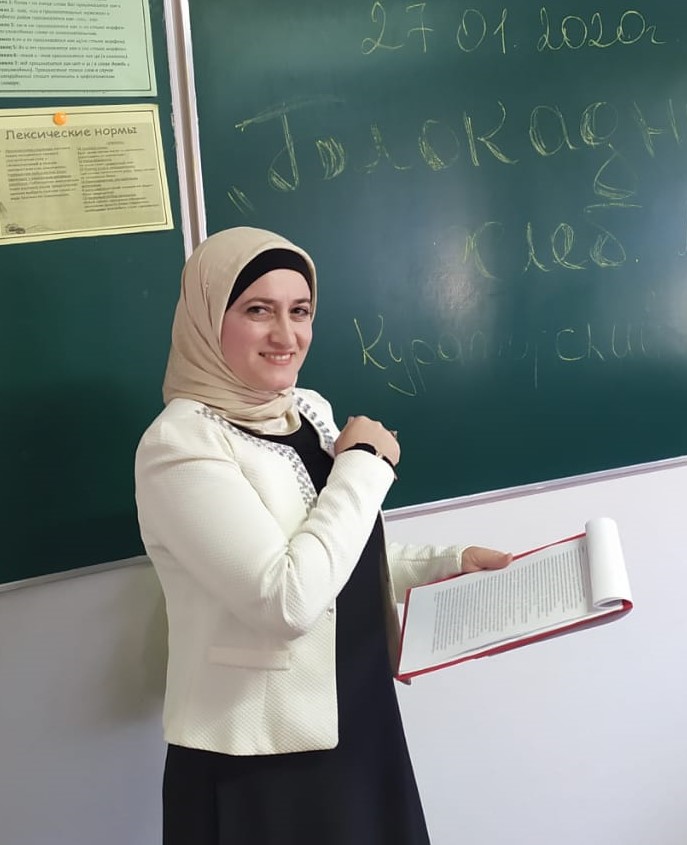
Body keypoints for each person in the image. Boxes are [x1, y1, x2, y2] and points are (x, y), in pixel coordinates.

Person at [135, 226, 512, 845]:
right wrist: (366, 464)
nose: (286, 336)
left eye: (300, 311)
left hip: (358, 712)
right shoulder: (179, 445)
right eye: (258, 311)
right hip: (261, 751)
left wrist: (445, 563)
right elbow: (286, 599)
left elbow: (331, 551)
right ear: (209, 318)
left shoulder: (305, 409)